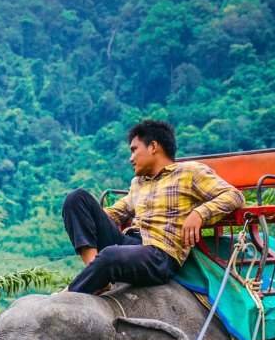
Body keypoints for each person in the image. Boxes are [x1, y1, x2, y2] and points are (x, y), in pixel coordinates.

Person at [62, 118, 244, 295]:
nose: (130, 158)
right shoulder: (138, 183)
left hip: (160, 254)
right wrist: (88, 217)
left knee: (110, 255)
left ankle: (73, 292)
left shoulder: (190, 172)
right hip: (130, 243)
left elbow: (234, 195)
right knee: (76, 198)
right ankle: (96, 277)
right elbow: (115, 213)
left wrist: (199, 213)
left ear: (153, 147)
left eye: (134, 150)